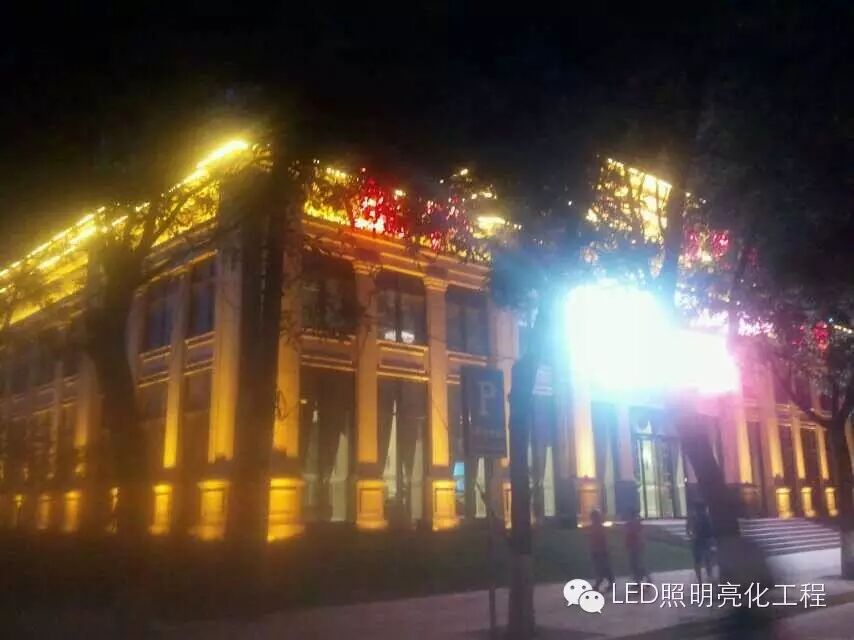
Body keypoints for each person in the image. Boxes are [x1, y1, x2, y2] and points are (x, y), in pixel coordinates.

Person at [686, 502, 714, 583]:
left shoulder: (701, 518)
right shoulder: (701, 518)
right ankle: (705, 578)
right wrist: (691, 535)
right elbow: (688, 528)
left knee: (702, 560)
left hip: (701, 541)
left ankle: (702, 579)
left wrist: (691, 536)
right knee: (705, 560)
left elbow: (688, 528)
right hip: (701, 541)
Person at [588, 509, 615, 592]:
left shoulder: (598, 528)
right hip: (597, 551)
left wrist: (604, 549)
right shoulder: (595, 527)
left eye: (594, 517)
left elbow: (604, 540)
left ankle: (599, 584)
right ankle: (607, 583)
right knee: (603, 568)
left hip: (600, 551)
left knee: (601, 568)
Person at [625, 509, 651, 583]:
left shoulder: (637, 525)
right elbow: (628, 534)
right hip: (633, 546)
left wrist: (641, 543)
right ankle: (638, 579)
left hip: (637, 546)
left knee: (638, 563)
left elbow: (640, 535)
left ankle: (643, 578)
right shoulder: (631, 524)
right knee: (634, 563)